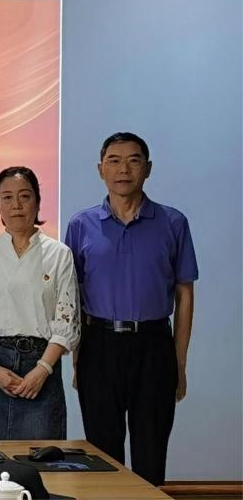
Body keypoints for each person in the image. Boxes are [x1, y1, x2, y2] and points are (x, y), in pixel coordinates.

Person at [65, 132, 197, 486]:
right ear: (101, 169)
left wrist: (179, 363)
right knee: (102, 456)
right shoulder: (81, 225)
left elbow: (184, 294)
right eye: (114, 161)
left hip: (153, 346)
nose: (123, 169)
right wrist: (77, 359)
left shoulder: (173, 222)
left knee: (151, 453)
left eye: (133, 160)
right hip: (99, 345)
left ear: (148, 168)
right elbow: (72, 296)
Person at [0, 166, 80, 440]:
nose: (16, 205)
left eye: (25, 196)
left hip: (41, 367)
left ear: (37, 201)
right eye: (7, 197)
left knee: (39, 457)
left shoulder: (59, 254)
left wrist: (42, 370)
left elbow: (66, 320)